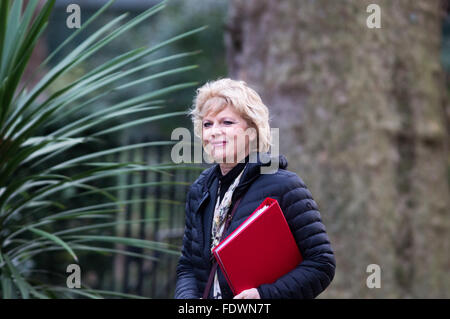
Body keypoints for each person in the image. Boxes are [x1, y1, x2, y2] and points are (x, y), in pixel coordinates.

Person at [174, 78, 335, 299]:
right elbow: (188, 267)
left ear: (252, 130)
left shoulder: (285, 186)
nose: (214, 131)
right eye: (207, 124)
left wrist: (263, 295)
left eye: (227, 123)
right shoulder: (199, 190)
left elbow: (321, 264)